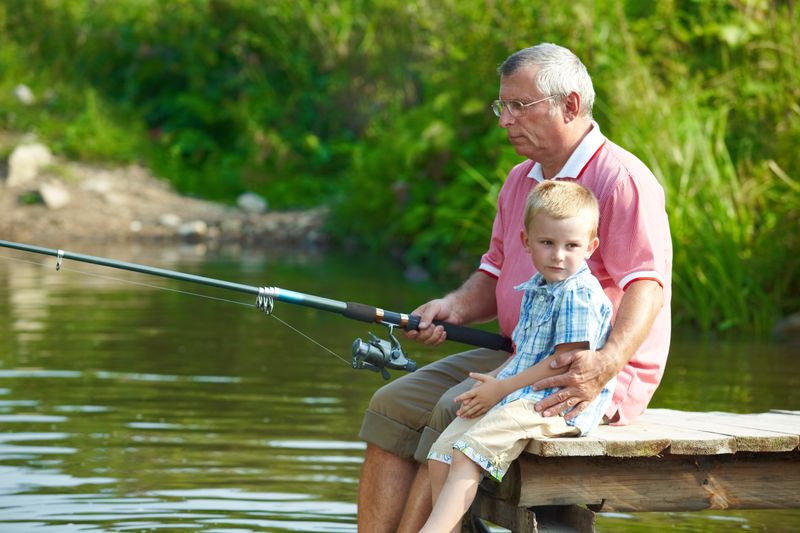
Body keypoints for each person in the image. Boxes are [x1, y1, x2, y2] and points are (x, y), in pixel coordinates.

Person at [357, 42, 672, 533]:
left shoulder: (621, 178)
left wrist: (604, 364)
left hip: (585, 370)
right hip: (520, 352)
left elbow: (647, 285)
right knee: (391, 405)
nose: (505, 119)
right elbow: (496, 272)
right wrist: (452, 307)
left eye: (519, 106)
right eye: (502, 106)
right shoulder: (520, 179)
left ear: (569, 105)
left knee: (450, 406)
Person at [421, 180, 613, 533]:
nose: (558, 255)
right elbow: (525, 353)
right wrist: (495, 382)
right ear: (526, 242)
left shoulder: (578, 293)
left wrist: (503, 388)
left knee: (467, 453)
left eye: (571, 245)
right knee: (442, 453)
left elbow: (564, 363)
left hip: (555, 402)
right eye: (547, 243)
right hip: (521, 392)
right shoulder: (538, 287)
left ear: (591, 246)